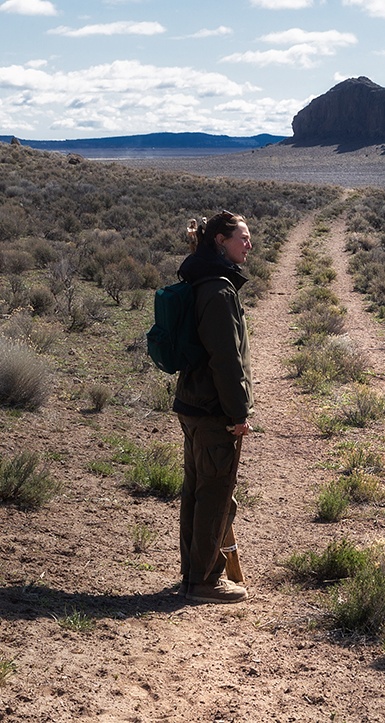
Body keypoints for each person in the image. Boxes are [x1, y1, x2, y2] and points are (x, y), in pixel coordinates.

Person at [173, 210, 255, 603]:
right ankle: (205, 580)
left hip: (193, 403)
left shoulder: (202, 281)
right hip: (212, 411)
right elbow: (226, 360)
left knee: (197, 490)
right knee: (215, 494)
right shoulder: (219, 291)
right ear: (220, 241)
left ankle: (193, 574)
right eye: (242, 237)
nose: (249, 244)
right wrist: (239, 413)